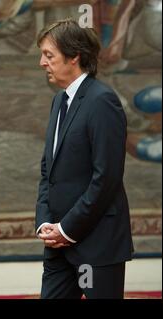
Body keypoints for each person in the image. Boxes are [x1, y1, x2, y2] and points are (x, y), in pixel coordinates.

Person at [35, 19, 133, 299]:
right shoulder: (59, 100)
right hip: (57, 245)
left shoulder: (102, 101)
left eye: (49, 55)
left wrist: (67, 229)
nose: (42, 62)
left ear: (74, 56)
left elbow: (107, 177)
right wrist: (45, 223)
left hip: (96, 246)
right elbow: (48, 172)